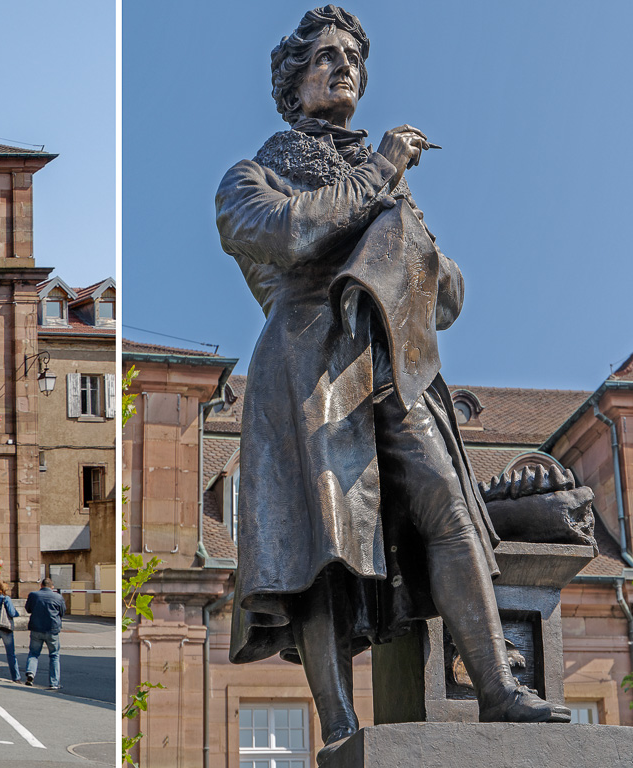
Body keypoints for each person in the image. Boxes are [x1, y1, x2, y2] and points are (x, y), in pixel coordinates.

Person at [217, 6, 564, 755]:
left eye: (353, 59)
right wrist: (382, 173)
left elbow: (447, 299)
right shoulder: (253, 175)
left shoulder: (384, 187)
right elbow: (287, 233)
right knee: (321, 546)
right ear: (293, 80)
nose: (344, 69)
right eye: (326, 58)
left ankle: (498, 689)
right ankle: (339, 724)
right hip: (306, 369)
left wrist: (410, 232)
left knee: (450, 506)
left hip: (394, 370)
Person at [22, 578, 65, 689]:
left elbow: (28, 609)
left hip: (36, 628)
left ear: (41, 585)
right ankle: (54, 683)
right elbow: (62, 612)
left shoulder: (33, 595)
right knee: (54, 656)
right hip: (52, 629)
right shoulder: (58, 597)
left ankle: (30, 674)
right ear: (52, 587)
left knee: (34, 653)